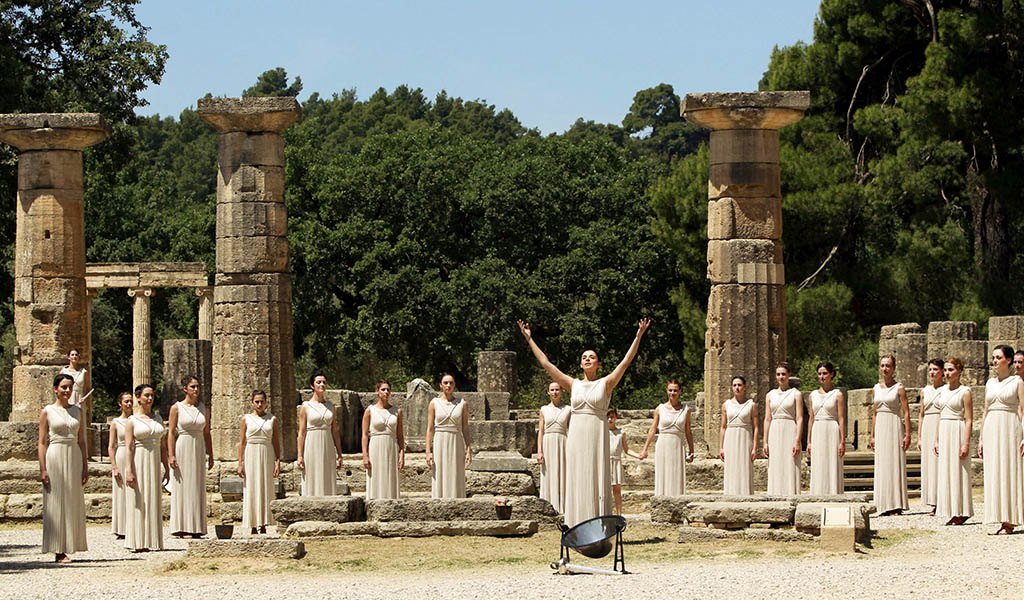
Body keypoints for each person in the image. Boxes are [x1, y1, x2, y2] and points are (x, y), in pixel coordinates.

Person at [518, 318, 651, 527]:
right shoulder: (573, 384)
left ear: (598, 364)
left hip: (597, 437)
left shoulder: (606, 383)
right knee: (578, 477)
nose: (587, 359)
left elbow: (626, 362)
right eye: (584, 357)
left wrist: (638, 336)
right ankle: (576, 524)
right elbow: (546, 364)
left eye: (592, 357)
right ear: (581, 364)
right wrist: (529, 339)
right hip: (577, 438)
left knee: (596, 477)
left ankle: (598, 524)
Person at [39, 373, 88, 563]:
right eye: (64, 387)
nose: (67, 391)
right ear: (56, 389)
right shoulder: (47, 411)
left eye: (70, 387)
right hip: (55, 456)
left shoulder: (78, 411)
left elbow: (82, 441)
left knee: (72, 500)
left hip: (74, 454)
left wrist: (85, 466)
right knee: (57, 501)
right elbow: (42, 442)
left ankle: (70, 544)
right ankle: (58, 549)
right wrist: (43, 469)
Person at [979, 345, 1024, 534]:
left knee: (1009, 470)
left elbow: (1023, 410)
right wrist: (981, 438)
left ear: (1009, 360)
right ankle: (999, 516)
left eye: (998, 357)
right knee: (995, 471)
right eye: (993, 358)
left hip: (1009, 427)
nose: (995, 361)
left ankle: (1010, 520)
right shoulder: (990, 383)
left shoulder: (1017, 382)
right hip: (991, 428)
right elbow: (985, 410)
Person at [167, 375, 213, 538]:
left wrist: (211, 454)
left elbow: (207, 433)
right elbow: (171, 433)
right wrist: (171, 455)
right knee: (182, 485)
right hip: (183, 445)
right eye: (193, 386)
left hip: (199, 446)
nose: (196, 389)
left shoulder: (203, 409)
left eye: (197, 386)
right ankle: (181, 525)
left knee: (197, 485)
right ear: (185, 389)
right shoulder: (176, 408)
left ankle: (197, 526)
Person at [124, 383, 168, 552]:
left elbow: (163, 446)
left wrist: (166, 468)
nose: (150, 398)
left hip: (154, 460)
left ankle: (152, 539)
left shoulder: (157, 419)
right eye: (146, 395)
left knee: (153, 497)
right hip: (139, 460)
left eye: (152, 395)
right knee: (138, 498)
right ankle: (137, 540)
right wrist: (129, 470)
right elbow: (128, 447)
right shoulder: (132, 421)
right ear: (139, 398)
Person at [934, 358, 973, 525]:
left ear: (959, 371)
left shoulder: (965, 391)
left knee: (960, 469)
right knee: (946, 470)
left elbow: (969, 419)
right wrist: (936, 440)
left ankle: (962, 510)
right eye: (946, 370)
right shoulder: (942, 390)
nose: (947, 373)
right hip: (944, 429)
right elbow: (939, 415)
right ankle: (951, 509)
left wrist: (965, 443)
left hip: (957, 429)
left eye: (951, 370)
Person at [870, 355, 910, 516]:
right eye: (882, 365)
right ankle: (882, 502)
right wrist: (872, 435)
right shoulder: (876, 388)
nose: (885, 369)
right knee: (882, 463)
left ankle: (896, 503)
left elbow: (906, 412)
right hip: (880, 425)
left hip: (894, 424)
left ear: (893, 368)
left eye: (888, 366)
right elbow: (874, 413)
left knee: (894, 462)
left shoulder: (899, 387)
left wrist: (907, 433)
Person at [238, 390, 282, 535]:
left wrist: (277, 461)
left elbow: (276, 442)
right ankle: (252, 523)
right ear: (252, 402)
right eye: (256, 401)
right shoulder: (246, 419)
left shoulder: (272, 419)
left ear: (266, 402)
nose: (259, 404)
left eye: (262, 401)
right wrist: (240, 463)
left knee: (265, 487)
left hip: (266, 453)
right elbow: (242, 443)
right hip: (251, 453)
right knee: (251, 487)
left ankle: (263, 523)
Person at [639, 379, 693, 496]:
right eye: (670, 390)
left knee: (676, 474)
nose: (672, 393)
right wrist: (645, 449)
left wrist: (691, 450)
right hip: (663, 444)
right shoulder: (660, 409)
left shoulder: (686, 410)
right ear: (666, 391)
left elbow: (688, 431)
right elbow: (653, 429)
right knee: (663, 474)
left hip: (678, 445)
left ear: (680, 392)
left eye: (675, 390)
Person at [426, 374, 472, 498]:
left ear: (454, 385)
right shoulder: (434, 403)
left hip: (456, 441)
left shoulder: (462, 403)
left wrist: (468, 450)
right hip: (440, 441)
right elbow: (430, 429)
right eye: (445, 383)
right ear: (440, 385)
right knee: (440, 472)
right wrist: (428, 451)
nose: (448, 385)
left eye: (451, 383)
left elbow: (465, 428)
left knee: (456, 472)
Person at [297, 373, 343, 496]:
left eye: (324, 382)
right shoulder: (305, 406)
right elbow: (301, 433)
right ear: (312, 385)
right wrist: (300, 455)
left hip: (327, 443)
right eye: (318, 382)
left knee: (327, 474)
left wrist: (339, 454)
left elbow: (335, 431)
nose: (322, 384)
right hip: (312, 443)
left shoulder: (330, 406)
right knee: (312, 474)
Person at [763, 363, 803, 495]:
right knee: (775, 462)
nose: (781, 377)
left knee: (790, 462)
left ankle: (791, 493)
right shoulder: (770, 395)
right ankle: (775, 494)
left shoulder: (796, 394)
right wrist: (765, 441)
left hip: (790, 428)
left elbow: (799, 418)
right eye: (778, 374)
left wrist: (797, 440)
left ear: (789, 375)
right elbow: (767, 418)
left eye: (783, 374)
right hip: (774, 429)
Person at [361, 380, 405, 500]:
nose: (386, 392)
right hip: (375, 446)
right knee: (376, 475)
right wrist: (365, 455)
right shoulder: (370, 411)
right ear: (377, 391)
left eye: (388, 390)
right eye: (383, 389)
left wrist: (402, 454)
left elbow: (400, 436)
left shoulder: (397, 411)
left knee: (390, 476)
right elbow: (365, 435)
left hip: (391, 446)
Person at [808, 361, 845, 495]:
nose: (822, 376)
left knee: (832, 462)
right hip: (817, 429)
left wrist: (842, 441)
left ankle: (834, 493)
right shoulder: (812, 395)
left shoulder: (838, 394)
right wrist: (809, 441)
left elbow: (841, 418)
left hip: (832, 429)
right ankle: (818, 494)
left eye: (825, 373)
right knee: (818, 463)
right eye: (819, 374)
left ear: (831, 374)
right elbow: (811, 418)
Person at [720, 376, 758, 496]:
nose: (737, 388)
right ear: (732, 387)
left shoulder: (751, 405)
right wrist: (721, 447)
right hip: (730, 438)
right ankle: (730, 494)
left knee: (744, 467)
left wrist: (755, 447)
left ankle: (746, 495)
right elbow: (723, 426)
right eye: (735, 385)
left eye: (739, 385)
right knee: (731, 467)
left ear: (744, 387)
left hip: (745, 437)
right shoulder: (726, 405)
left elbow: (756, 427)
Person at [537, 382, 570, 513]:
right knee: (548, 473)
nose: (555, 392)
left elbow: (571, 430)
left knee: (563, 472)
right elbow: (541, 431)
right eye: (552, 390)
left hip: (563, 442)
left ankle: (563, 507)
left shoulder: (568, 409)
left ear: (561, 391)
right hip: (548, 442)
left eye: (557, 389)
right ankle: (547, 506)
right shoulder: (543, 409)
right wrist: (539, 451)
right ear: (548, 392)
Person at [918, 359, 945, 515]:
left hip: (940, 423)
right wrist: (920, 436)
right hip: (928, 424)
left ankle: (941, 500)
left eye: (935, 369)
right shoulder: (925, 390)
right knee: (929, 464)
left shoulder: (946, 389)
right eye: (930, 370)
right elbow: (921, 414)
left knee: (939, 463)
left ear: (942, 372)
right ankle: (932, 500)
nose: (932, 372)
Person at [108, 392, 134, 539]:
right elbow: (112, 446)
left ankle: (133, 525)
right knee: (121, 492)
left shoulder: (136, 420)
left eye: (131, 401)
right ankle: (121, 528)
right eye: (126, 402)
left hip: (133, 454)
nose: (129, 404)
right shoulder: (115, 423)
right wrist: (114, 466)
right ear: (120, 404)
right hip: (121, 455)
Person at [607, 408, 639, 515]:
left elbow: (626, 449)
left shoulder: (621, 433)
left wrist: (638, 456)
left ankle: (619, 514)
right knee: (603, 491)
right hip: (604, 463)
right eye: (608, 417)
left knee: (617, 491)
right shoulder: (601, 432)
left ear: (616, 417)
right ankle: (605, 513)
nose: (610, 419)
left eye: (612, 417)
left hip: (616, 462)